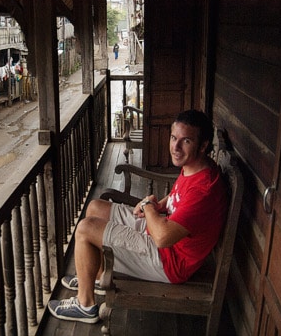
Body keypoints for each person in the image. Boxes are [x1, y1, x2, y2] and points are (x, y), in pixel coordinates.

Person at [47, 109, 228, 323]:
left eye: (186, 141)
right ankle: (95, 274)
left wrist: (148, 206)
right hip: (162, 231)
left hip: (168, 260)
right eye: (173, 138)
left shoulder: (204, 189)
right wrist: (160, 204)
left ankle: (85, 305)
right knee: (96, 207)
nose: (176, 147)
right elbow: (179, 196)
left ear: (203, 145)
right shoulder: (199, 166)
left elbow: (162, 238)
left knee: (86, 228)